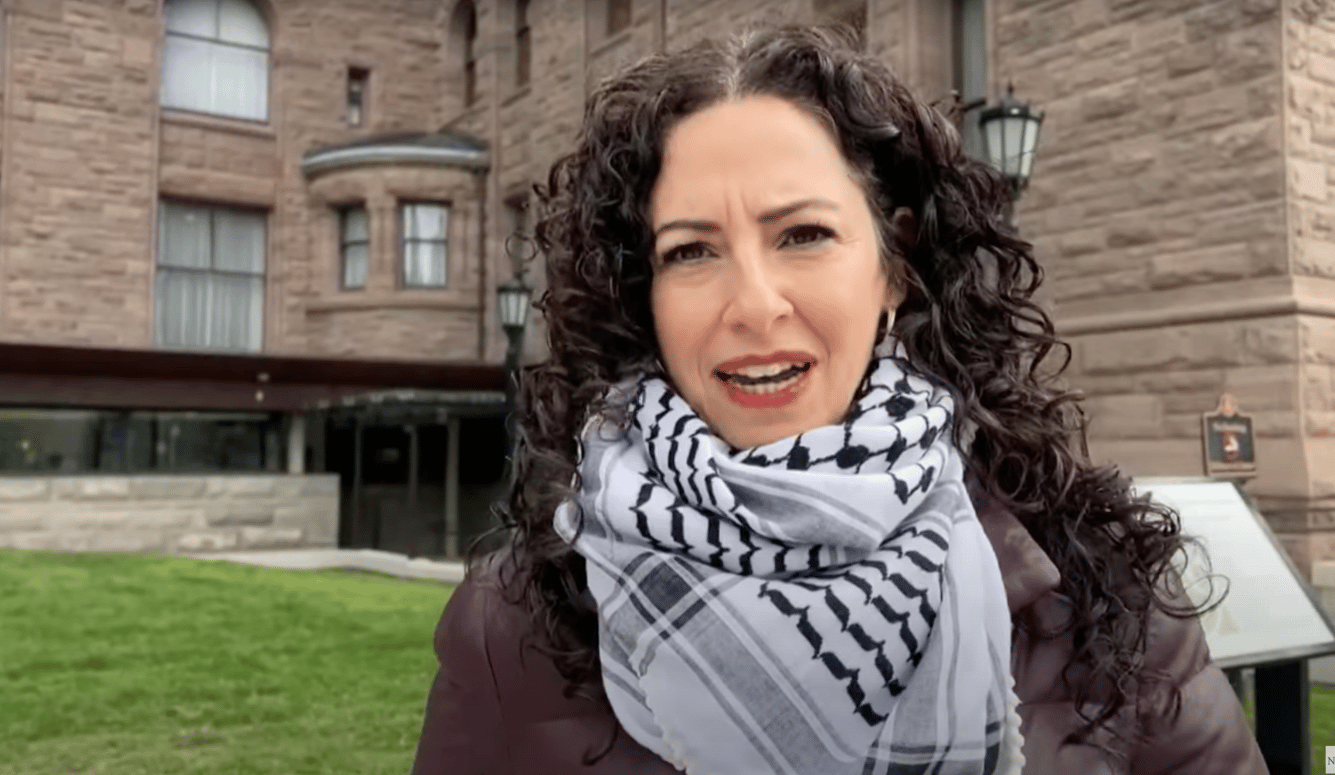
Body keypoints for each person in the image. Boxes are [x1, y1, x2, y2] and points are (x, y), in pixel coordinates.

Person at [412, 25, 1267, 775]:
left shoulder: (1099, 587)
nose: (753, 304)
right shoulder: (512, 625)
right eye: (690, 252)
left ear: (893, 264)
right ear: (643, 296)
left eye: (804, 235)